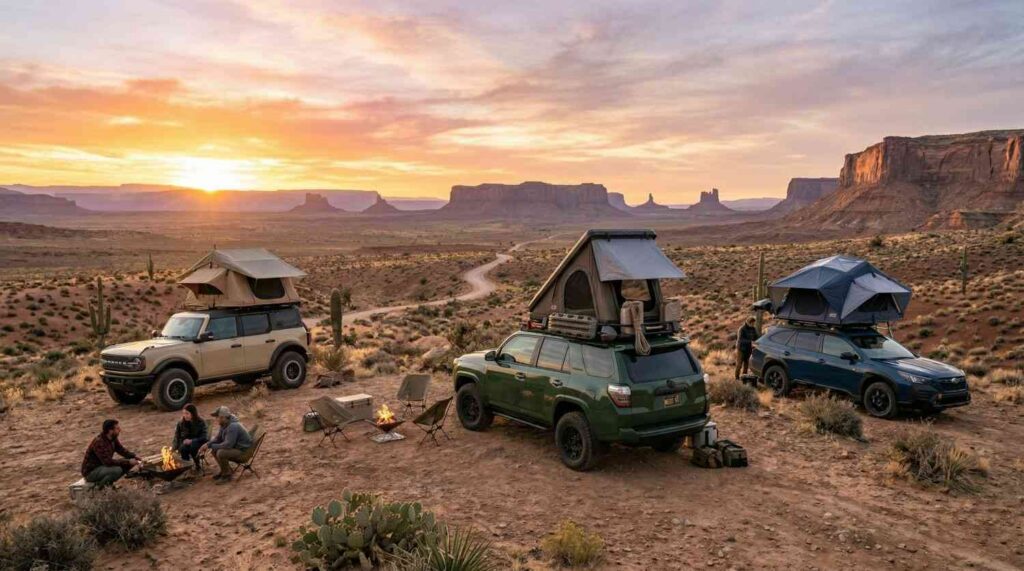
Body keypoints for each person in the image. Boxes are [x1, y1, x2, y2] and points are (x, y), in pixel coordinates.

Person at [81, 419, 141, 488]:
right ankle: (101, 489)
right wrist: (128, 462)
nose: (120, 430)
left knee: (129, 461)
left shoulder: (112, 438)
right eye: (117, 428)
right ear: (110, 430)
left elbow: (121, 450)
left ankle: (108, 484)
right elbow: (108, 462)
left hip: (102, 468)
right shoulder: (99, 442)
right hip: (91, 472)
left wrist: (134, 456)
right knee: (117, 470)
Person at [199, 406, 252, 484]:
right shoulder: (224, 424)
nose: (216, 419)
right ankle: (225, 470)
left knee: (221, 452)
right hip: (237, 447)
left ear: (223, 417)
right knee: (214, 450)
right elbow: (218, 438)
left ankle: (227, 476)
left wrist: (211, 446)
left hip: (243, 452)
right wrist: (207, 444)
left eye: (217, 417)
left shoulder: (233, 426)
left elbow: (228, 445)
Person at [172, 403, 208, 469]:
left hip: (198, 443)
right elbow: (177, 436)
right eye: (184, 413)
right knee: (183, 448)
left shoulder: (200, 422)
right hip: (186, 444)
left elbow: (204, 437)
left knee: (193, 446)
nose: (185, 415)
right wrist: (173, 448)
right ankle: (187, 467)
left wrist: (192, 441)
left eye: (187, 413)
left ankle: (197, 465)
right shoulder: (181, 423)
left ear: (193, 414)